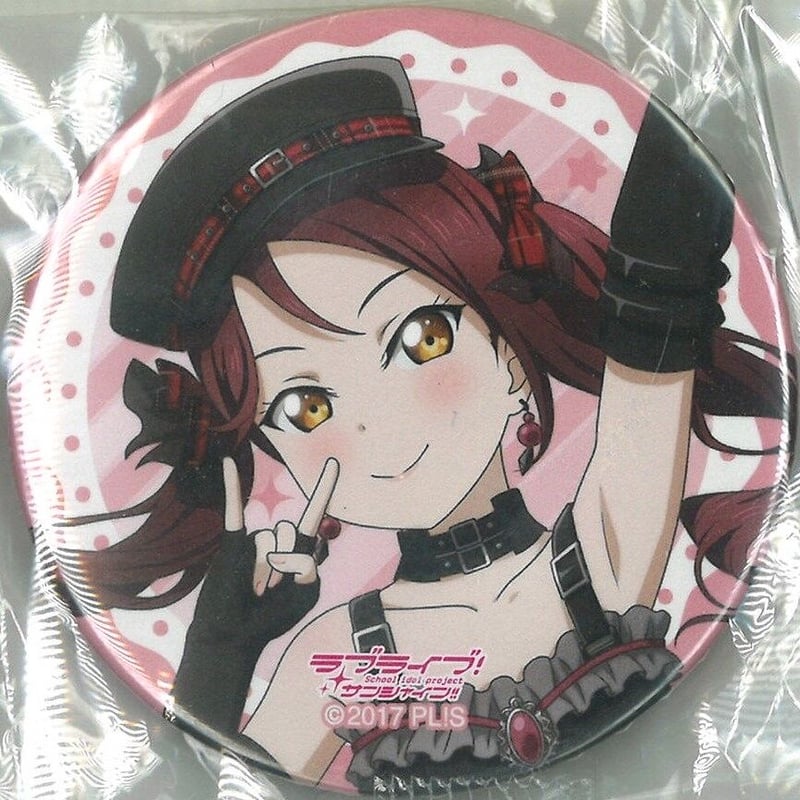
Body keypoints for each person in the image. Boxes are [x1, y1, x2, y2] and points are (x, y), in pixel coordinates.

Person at [70, 57, 791, 791]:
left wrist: (716, 65)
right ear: (272, 449)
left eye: (421, 339)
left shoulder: (598, 554)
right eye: (306, 406)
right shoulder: (341, 654)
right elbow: (213, 782)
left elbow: (659, 273)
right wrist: (220, 651)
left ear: (510, 356)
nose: (380, 425)